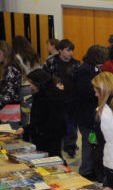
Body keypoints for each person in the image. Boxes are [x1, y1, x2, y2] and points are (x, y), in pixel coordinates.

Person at [74, 45, 108, 180]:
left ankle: (92, 169)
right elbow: (86, 92)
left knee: (93, 142)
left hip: (91, 112)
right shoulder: (84, 70)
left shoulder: (94, 68)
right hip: (86, 113)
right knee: (88, 142)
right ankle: (86, 171)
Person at [43, 39, 80, 158]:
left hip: (72, 100)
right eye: (68, 50)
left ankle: (70, 146)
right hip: (55, 99)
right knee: (57, 124)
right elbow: (45, 79)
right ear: (60, 50)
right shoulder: (51, 62)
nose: (70, 53)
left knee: (71, 125)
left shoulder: (76, 63)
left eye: (72, 50)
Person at [25, 69, 66, 158]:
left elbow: (39, 120)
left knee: (51, 158)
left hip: (46, 137)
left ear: (39, 83)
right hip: (53, 135)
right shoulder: (53, 93)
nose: (30, 86)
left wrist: (28, 129)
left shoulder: (43, 98)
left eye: (32, 83)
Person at [0, 41, 23, 128]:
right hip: (6, 109)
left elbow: (9, 93)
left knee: (12, 137)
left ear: (5, 52)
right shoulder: (6, 67)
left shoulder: (11, 68)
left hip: (11, 110)